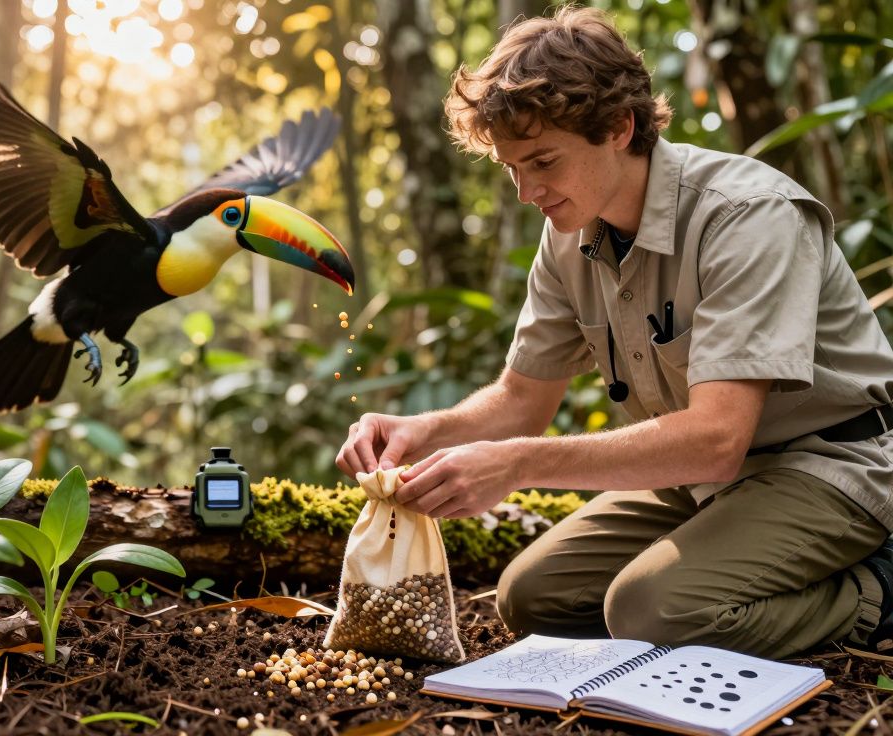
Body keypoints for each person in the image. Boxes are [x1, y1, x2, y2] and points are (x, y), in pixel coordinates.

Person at [335, 5, 893, 659]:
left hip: (829, 467)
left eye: (543, 161)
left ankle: (877, 590)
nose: (526, 191)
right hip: (704, 482)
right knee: (533, 598)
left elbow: (717, 438)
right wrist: (421, 432)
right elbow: (521, 400)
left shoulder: (746, 216)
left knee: (654, 608)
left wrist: (516, 464)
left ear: (620, 128)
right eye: (512, 169)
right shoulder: (570, 233)